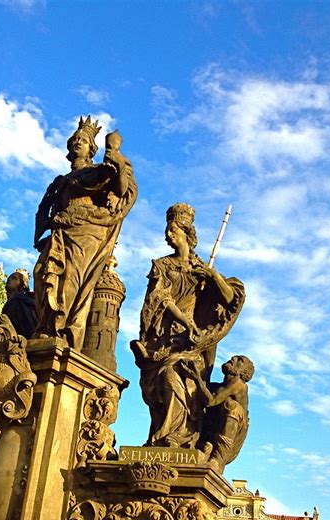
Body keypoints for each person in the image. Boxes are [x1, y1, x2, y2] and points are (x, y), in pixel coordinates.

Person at [131, 203, 245, 449]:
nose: (168, 235)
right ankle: (164, 434)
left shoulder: (200, 269)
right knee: (161, 382)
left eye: (173, 231)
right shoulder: (161, 266)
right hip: (166, 338)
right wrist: (184, 321)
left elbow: (229, 299)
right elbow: (160, 298)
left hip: (194, 343)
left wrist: (212, 277)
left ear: (187, 234)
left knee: (178, 377)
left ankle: (177, 437)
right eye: (167, 231)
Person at [33, 116, 137, 350]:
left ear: (92, 148)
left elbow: (121, 189)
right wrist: (44, 229)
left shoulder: (99, 172)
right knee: (41, 273)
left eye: (84, 140)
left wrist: (116, 155)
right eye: (76, 139)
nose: (78, 142)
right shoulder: (62, 181)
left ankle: (62, 331)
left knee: (69, 278)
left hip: (86, 232)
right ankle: (46, 326)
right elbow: (47, 208)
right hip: (60, 231)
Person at [198, 355, 254, 473]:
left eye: (240, 360)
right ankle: (204, 445)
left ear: (244, 372)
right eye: (235, 357)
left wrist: (196, 378)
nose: (233, 358)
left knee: (232, 406)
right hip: (213, 429)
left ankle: (217, 460)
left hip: (232, 436)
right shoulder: (218, 386)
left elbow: (211, 401)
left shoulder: (239, 385)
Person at [2, 269, 37, 340]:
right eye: (9, 278)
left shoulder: (20, 300)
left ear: (23, 285)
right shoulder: (10, 303)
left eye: (14, 279)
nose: (9, 280)